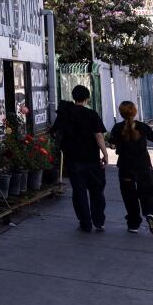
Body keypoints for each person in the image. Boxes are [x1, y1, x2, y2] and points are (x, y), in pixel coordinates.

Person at [49, 85, 108, 232]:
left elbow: (55, 133)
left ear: (74, 97)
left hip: (73, 160)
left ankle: (85, 223)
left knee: (79, 192)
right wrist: (105, 154)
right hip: (92, 159)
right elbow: (99, 135)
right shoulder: (92, 114)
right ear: (87, 98)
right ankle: (99, 221)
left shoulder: (65, 114)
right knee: (96, 191)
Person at [109, 101, 153, 234]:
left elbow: (112, 144)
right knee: (147, 192)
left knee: (129, 196)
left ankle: (133, 223)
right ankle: (150, 214)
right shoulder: (143, 127)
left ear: (121, 113)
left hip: (126, 167)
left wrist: (116, 145)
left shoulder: (117, 128)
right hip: (143, 166)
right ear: (135, 112)